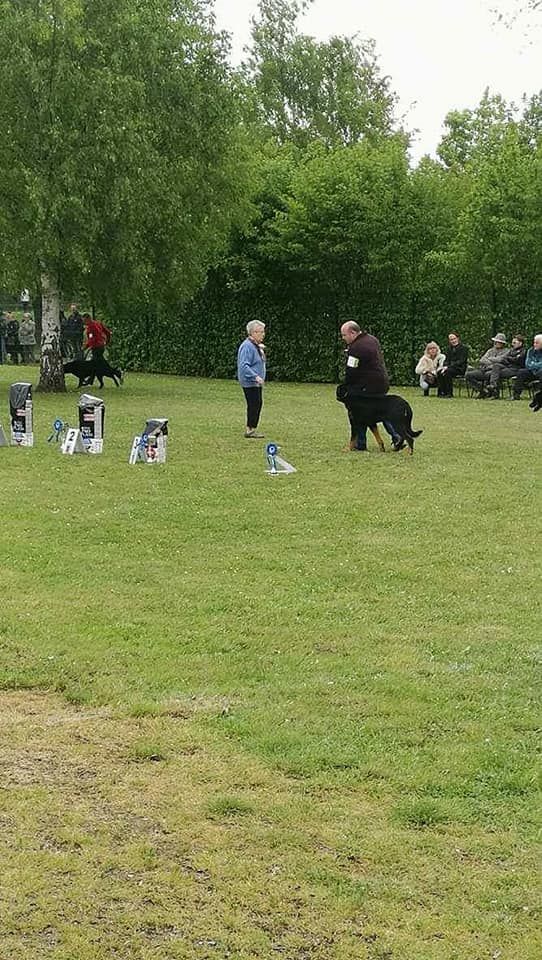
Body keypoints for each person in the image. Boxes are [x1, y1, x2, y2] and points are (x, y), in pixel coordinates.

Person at [339, 320, 401, 450]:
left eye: (344, 335)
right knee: (382, 411)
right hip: (381, 382)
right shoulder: (372, 339)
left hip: (366, 386)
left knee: (358, 412)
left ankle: (360, 444)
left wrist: (347, 386)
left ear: (352, 332)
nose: (343, 338)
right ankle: (396, 436)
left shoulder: (356, 347)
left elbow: (351, 370)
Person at [237, 320, 266, 438]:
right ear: (253, 332)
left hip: (255, 382)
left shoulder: (255, 345)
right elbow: (244, 365)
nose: (263, 334)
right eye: (261, 332)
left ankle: (252, 428)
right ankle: (250, 430)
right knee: (254, 403)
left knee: (257, 403)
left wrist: (261, 350)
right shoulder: (247, 346)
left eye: (263, 332)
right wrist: (255, 376)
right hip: (250, 382)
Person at [465, 333, 510, 398]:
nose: (497, 343)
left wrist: (489, 359)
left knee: (489, 375)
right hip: (484, 369)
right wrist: (491, 361)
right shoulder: (490, 350)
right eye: (496, 341)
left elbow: (500, 360)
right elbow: (482, 359)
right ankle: (482, 390)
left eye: (499, 342)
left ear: (503, 343)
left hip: (496, 371)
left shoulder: (507, 351)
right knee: (468, 375)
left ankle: (493, 393)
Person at [435, 332, 468, 397]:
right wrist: (444, 366)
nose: (453, 341)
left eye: (454, 339)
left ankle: (449, 393)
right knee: (439, 372)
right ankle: (441, 392)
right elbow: (446, 360)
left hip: (459, 368)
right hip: (449, 367)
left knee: (447, 372)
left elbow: (461, 361)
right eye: (451, 339)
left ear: (458, 339)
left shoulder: (464, 348)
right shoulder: (449, 349)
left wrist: (448, 367)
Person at [510, 334, 542, 400]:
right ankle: (516, 395)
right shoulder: (530, 351)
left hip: (540, 372)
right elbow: (527, 364)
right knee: (521, 372)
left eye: (537, 343)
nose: (534, 344)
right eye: (534, 342)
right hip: (532, 371)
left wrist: (534, 364)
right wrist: (536, 365)